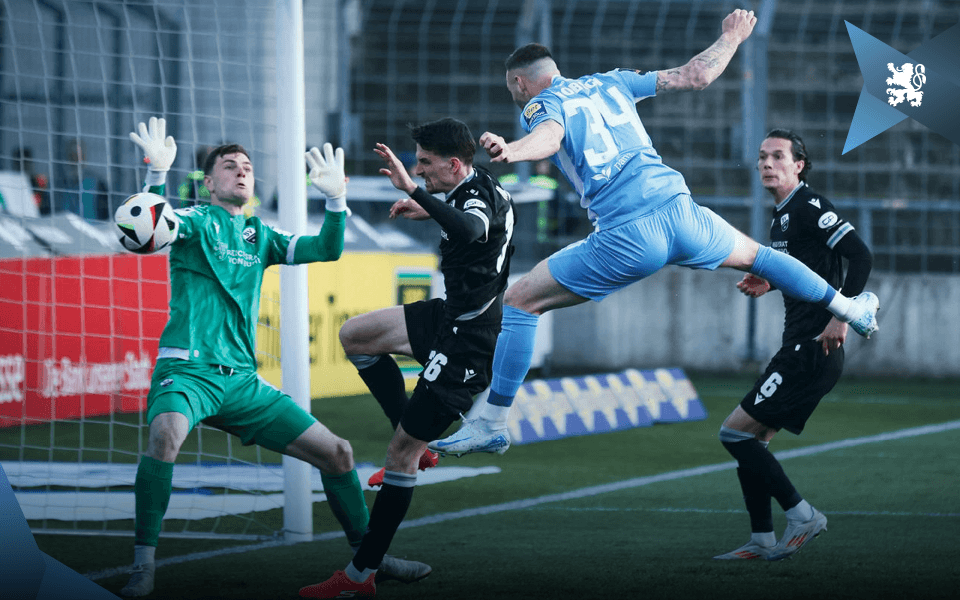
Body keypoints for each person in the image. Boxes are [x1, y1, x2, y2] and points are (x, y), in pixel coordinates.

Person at [428, 9, 880, 457]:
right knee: (760, 257)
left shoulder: (542, 103)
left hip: (628, 234)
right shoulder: (613, 80)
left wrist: (513, 149)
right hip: (682, 215)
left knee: (520, 302)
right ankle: (850, 307)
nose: (515, 98)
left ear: (520, 83)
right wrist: (732, 37)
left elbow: (549, 134)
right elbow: (696, 75)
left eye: (513, 90)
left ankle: (492, 421)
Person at [117, 117, 429, 597]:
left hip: (242, 382)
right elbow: (150, 225)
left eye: (247, 167)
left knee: (339, 453)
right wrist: (156, 175)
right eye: (229, 166)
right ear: (208, 182)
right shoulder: (195, 222)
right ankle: (143, 565)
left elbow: (327, 248)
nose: (242, 173)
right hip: (188, 372)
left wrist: (335, 200)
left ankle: (371, 560)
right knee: (165, 434)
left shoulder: (260, 236)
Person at [298, 117, 515, 599]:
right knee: (355, 336)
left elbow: (475, 229)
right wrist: (426, 206)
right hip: (447, 317)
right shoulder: (468, 188)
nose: (418, 169)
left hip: (468, 341)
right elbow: (460, 218)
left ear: (453, 164)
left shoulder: (479, 199)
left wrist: (415, 192)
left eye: (425, 163)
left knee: (400, 453)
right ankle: (423, 447)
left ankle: (360, 578)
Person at [713, 129, 872, 561]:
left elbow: (860, 256)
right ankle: (761, 539)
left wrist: (842, 316)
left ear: (798, 165)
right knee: (752, 442)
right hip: (801, 346)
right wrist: (769, 280)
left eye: (777, 156)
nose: (766, 163)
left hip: (813, 347)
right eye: (762, 156)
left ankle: (802, 515)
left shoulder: (808, 206)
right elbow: (806, 268)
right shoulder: (782, 214)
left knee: (733, 433)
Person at [55, 137, 109, 220]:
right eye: (71, 155)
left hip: (93, 229)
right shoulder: (60, 184)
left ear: (84, 156)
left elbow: (105, 214)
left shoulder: (98, 183)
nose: (75, 159)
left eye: (78, 155)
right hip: (66, 229)